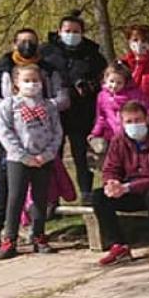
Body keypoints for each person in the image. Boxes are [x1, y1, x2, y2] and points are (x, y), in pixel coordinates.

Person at [0, 29, 68, 248]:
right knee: (14, 197)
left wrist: (48, 153)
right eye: (27, 80)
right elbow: (5, 131)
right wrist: (21, 155)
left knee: (40, 197)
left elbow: (57, 132)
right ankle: (9, 238)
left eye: (35, 81)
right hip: (18, 158)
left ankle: (38, 235)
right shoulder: (9, 105)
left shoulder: (48, 106)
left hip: (43, 158)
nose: (32, 84)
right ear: (17, 83)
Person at [92, 101, 149, 268]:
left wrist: (129, 187)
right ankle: (118, 245)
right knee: (99, 197)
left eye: (138, 120)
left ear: (147, 119)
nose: (134, 125)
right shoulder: (119, 140)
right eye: (129, 121)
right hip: (130, 191)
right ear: (122, 122)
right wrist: (111, 183)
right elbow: (111, 167)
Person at [45, 11, 107, 203]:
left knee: (81, 155)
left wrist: (89, 86)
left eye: (76, 31)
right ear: (59, 31)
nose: (71, 34)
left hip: (83, 112)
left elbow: (104, 80)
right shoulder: (46, 53)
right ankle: (51, 197)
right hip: (55, 113)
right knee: (53, 155)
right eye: (67, 30)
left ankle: (86, 192)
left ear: (82, 32)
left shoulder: (92, 55)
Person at [89, 65, 149, 150]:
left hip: (134, 133)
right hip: (113, 135)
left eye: (119, 83)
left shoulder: (134, 94)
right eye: (111, 81)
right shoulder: (102, 96)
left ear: (125, 83)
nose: (114, 85)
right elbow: (101, 117)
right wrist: (95, 133)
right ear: (105, 80)